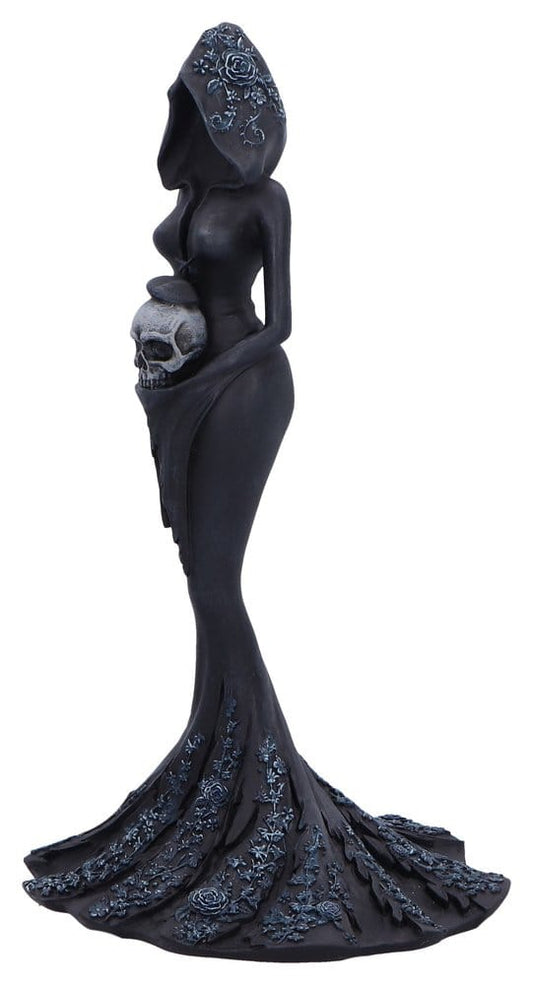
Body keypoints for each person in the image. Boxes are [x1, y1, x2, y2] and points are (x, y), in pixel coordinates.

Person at [23, 23, 509, 962]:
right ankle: (214, 762)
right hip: (180, 383)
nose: (200, 123)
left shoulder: (265, 199)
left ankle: (262, 778)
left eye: (212, 110)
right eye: (190, 109)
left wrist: (200, 375)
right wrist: (165, 350)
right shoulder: (195, 192)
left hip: (244, 386)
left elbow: (280, 323)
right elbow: (183, 277)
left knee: (215, 582)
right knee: (198, 579)